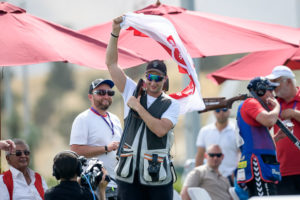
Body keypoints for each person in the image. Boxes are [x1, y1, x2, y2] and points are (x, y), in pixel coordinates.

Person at [106, 16, 180, 200]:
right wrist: (115, 31)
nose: (153, 83)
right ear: (145, 77)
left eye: (158, 78)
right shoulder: (132, 89)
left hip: (157, 176)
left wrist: (137, 107)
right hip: (128, 174)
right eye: (150, 77)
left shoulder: (171, 104)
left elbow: (160, 130)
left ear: (165, 81)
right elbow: (111, 64)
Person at [70, 78, 122, 199]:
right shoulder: (83, 119)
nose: (106, 96)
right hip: (93, 186)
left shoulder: (115, 119)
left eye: (110, 93)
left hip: (117, 184)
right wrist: (106, 148)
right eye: (100, 93)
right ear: (90, 96)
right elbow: (75, 150)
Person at [236, 77, 282, 197]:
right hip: (257, 164)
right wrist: (277, 106)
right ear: (260, 90)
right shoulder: (251, 103)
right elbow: (269, 120)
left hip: (263, 164)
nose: (273, 94)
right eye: (270, 90)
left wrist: (276, 138)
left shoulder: (256, 107)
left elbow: (256, 140)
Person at [266, 65, 300, 195]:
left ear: (289, 82)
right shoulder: (274, 104)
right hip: (283, 170)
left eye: (276, 83)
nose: (273, 88)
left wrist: (293, 113)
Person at [195, 108, 239, 185]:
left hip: (231, 177)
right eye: (218, 110)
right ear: (213, 112)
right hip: (209, 177)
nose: (221, 113)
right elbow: (200, 156)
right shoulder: (204, 131)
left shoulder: (237, 130)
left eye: (224, 110)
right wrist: (198, 177)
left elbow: (241, 154)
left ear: (230, 110)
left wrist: (237, 173)